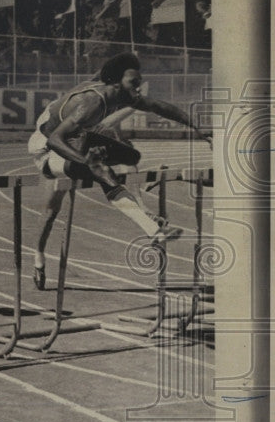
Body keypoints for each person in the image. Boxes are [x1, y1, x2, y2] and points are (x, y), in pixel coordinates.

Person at [27, 52, 213, 290]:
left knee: (130, 155)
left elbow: (161, 107)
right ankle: (38, 256)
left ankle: (153, 230)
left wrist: (198, 129)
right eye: (134, 84)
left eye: (140, 83)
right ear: (116, 81)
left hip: (78, 140)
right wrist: (87, 162)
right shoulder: (91, 102)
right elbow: (55, 139)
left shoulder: (124, 96)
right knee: (51, 213)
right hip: (45, 148)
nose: (139, 89)